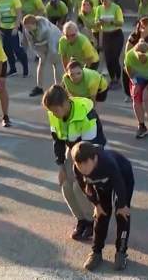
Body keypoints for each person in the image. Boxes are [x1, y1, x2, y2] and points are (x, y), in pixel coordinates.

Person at [43, 85, 106, 241]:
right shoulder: (53, 113)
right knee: (65, 184)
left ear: (65, 103)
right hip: (72, 148)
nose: (54, 114)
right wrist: (61, 166)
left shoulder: (86, 112)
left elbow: (89, 148)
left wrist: (80, 173)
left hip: (91, 152)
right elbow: (57, 141)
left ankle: (92, 221)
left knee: (80, 187)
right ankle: (81, 220)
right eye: (51, 111)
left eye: (56, 110)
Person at [72, 142, 133, 272]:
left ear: (94, 159)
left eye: (86, 166)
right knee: (101, 215)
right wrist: (96, 204)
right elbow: (85, 188)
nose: (83, 170)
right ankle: (96, 252)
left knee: (122, 215)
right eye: (79, 166)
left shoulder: (108, 163)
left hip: (122, 177)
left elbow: (119, 184)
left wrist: (122, 205)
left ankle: (121, 252)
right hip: (102, 183)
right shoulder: (77, 168)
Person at [0, 0, 29, 77]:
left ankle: (25, 67)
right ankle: (13, 69)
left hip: (13, 28)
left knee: (16, 49)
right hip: (3, 28)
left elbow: (19, 14)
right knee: (7, 50)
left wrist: (16, 27)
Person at [23, 15, 63, 97]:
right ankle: (39, 87)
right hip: (42, 44)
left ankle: (59, 87)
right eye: (26, 27)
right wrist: (39, 54)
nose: (28, 29)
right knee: (41, 64)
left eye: (29, 27)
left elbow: (52, 41)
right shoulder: (27, 30)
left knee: (56, 64)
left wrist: (51, 55)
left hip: (56, 42)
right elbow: (32, 44)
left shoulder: (46, 29)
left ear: (35, 24)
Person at [95, 0, 125, 89]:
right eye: (102, 1)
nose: (104, 3)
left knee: (115, 58)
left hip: (116, 34)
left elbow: (120, 22)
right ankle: (112, 79)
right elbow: (96, 23)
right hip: (106, 35)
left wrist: (111, 22)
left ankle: (118, 79)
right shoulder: (99, 9)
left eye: (106, 0)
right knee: (108, 59)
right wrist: (100, 22)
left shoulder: (116, 8)